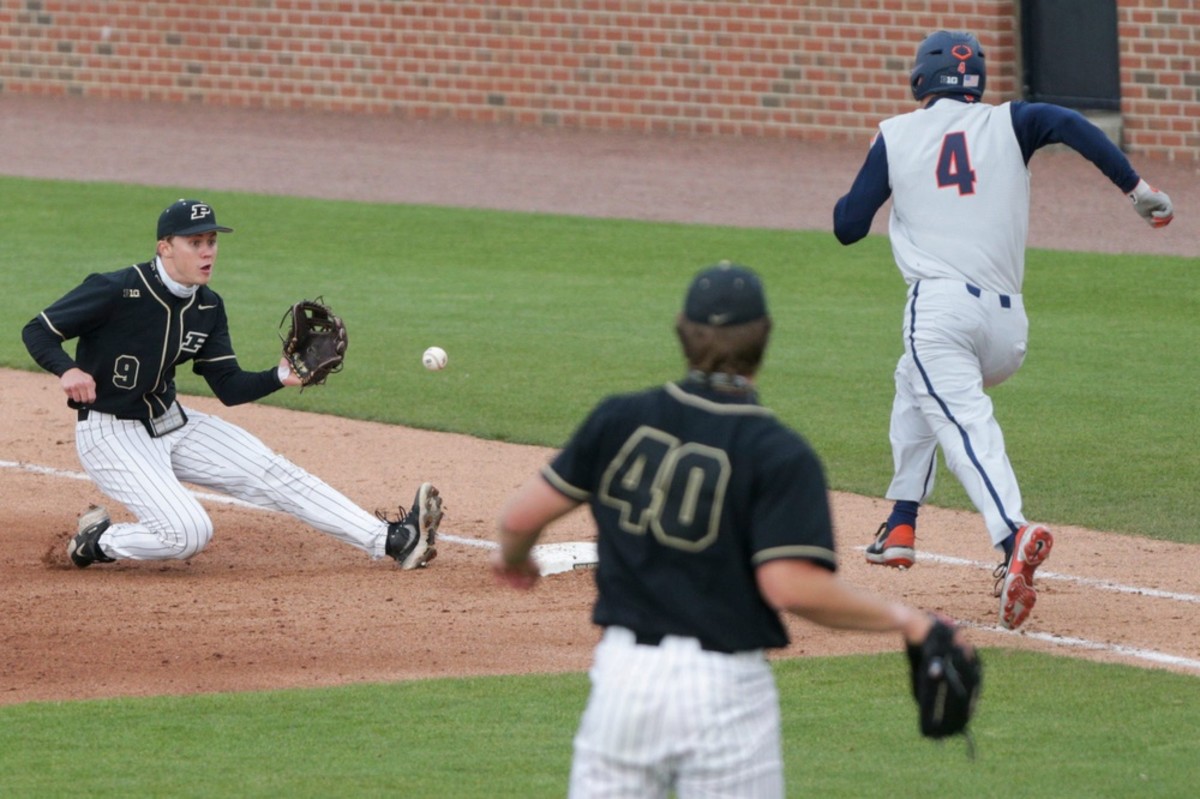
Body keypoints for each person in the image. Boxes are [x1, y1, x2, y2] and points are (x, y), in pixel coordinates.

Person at [493, 262, 961, 798]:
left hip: (622, 682)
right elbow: (790, 586)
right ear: (764, 339)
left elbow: (517, 520)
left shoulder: (620, 418)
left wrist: (514, 559)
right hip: (723, 695)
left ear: (681, 332)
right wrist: (907, 620)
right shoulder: (779, 452)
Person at [832, 30, 1174, 630]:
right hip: (1008, 329)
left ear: (920, 81)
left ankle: (1010, 535)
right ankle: (901, 522)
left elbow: (848, 225)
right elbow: (1071, 124)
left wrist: (881, 166)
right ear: (977, 82)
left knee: (962, 420)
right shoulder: (1013, 121)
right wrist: (1137, 191)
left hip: (939, 314)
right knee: (915, 380)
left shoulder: (897, 134)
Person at [22, 198, 443, 570]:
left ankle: (393, 541)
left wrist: (281, 376)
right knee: (188, 533)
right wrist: (67, 370)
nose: (207, 252)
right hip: (111, 431)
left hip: (172, 422)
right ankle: (98, 542)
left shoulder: (207, 306)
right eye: (195, 242)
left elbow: (228, 386)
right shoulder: (116, 289)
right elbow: (37, 331)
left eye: (211, 241)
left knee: (275, 472)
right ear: (164, 247)